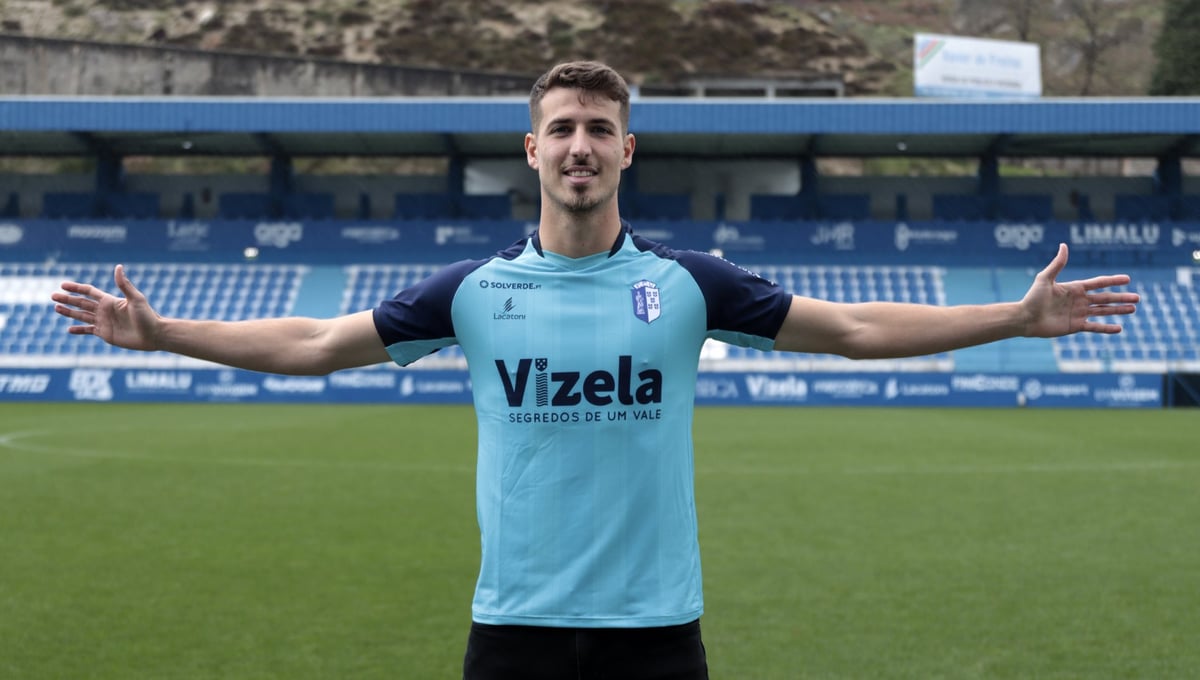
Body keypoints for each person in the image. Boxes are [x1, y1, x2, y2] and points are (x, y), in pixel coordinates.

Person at [51, 61, 1139, 679]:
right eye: (562, 127)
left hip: (657, 638)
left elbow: (851, 327)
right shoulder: (471, 290)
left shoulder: (689, 282)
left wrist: (1013, 316)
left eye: (600, 129)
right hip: (512, 633)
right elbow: (314, 344)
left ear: (627, 150)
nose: (581, 144)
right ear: (532, 150)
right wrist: (169, 332)